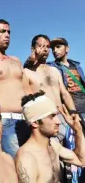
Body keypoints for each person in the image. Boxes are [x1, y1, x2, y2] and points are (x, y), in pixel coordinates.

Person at [15, 91, 85, 183]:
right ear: (35, 122)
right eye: (51, 117)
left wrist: (78, 131)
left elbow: (81, 160)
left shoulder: (53, 146)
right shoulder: (27, 157)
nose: (58, 121)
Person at [23, 34, 80, 143]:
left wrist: (73, 112)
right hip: (46, 122)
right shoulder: (26, 72)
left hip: (64, 118)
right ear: (33, 49)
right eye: (41, 46)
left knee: (74, 154)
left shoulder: (54, 70)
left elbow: (64, 93)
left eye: (47, 47)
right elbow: (28, 100)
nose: (45, 50)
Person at [0, 19, 31, 158]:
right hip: (5, 121)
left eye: (8, 32)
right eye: (2, 31)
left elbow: (27, 90)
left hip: (26, 119)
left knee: (31, 163)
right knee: (16, 166)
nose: (7, 35)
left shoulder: (16, 60)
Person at [48, 37, 85, 183]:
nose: (55, 50)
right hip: (69, 112)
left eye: (58, 47)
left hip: (84, 107)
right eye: (53, 48)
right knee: (71, 144)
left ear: (67, 49)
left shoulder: (76, 66)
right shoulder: (52, 67)